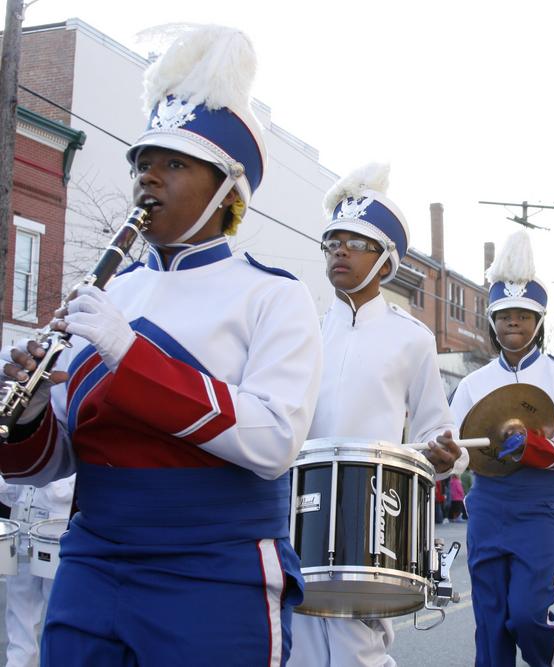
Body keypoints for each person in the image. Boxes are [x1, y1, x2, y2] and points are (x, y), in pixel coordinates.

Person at [0, 26, 323, 665]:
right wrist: (31, 416)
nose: (149, 176)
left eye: (174, 163)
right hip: (91, 561)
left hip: (213, 570)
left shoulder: (274, 296)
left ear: (228, 191)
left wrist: (132, 357)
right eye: (143, 162)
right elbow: (52, 464)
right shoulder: (112, 290)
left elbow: (274, 440)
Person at [287, 164, 463, 667]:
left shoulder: (413, 338)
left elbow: (436, 431)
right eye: (333, 241)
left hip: (374, 514)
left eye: (355, 242)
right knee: (296, 649)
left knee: (355, 652)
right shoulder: (306, 330)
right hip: (301, 508)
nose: (339, 250)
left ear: (385, 262)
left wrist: (446, 456)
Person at [449, 230, 554, 667]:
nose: (514, 322)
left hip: (542, 502)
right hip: (489, 503)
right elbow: (456, 448)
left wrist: (533, 447)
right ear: (492, 322)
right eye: (505, 314)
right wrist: (444, 455)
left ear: (539, 321)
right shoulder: (473, 384)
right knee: (491, 624)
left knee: (529, 616)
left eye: (524, 315)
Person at [0, 476, 75, 667]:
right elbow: (9, 494)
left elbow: (67, 493)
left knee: (58, 613)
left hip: (55, 535)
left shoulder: (67, 453)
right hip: (22, 532)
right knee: (18, 614)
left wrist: (37, 473)